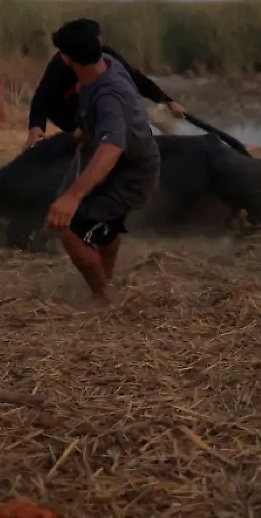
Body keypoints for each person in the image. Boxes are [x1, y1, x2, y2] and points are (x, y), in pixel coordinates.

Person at [45, 19, 162, 306]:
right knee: (102, 224)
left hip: (132, 173)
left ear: (65, 58)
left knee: (67, 225)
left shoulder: (108, 96)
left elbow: (112, 147)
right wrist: (87, 128)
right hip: (130, 164)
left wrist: (73, 195)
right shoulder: (108, 62)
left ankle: (102, 297)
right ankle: (105, 280)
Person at [24, 18, 186, 151]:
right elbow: (42, 98)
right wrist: (36, 126)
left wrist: (167, 101)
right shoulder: (60, 64)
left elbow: (138, 79)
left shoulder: (110, 68)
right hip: (69, 114)